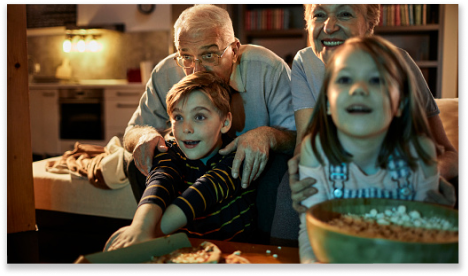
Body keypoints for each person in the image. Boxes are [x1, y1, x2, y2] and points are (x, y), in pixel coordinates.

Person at [270, 4, 458, 246]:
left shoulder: (398, 62)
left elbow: (449, 154)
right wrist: (303, 172)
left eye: (344, 13)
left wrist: (422, 180)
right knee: (289, 184)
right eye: (319, 14)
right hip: (335, 180)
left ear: (369, 25)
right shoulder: (305, 61)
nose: (329, 26)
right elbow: (305, 144)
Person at [124, 4, 296, 243]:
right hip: (190, 163)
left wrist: (267, 135)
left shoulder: (268, 68)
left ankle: (266, 249)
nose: (196, 70)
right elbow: (133, 131)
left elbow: (299, 137)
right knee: (140, 159)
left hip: (246, 167)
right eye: (186, 56)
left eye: (209, 55)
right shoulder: (165, 72)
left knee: (278, 165)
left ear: (234, 50)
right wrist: (144, 136)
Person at [297, 35, 444, 263]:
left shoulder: (419, 152)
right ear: (327, 101)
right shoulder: (315, 152)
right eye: (345, 80)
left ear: (401, 104)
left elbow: (425, 235)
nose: (358, 89)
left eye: (376, 80)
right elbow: (311, 231)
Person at [105, 72, 257, 251]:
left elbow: (204, 191)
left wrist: (145, 231)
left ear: (225, 122)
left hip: (237, 251)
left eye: (199, 117)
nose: (186, 128)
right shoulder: (169, 151)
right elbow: (160, 180)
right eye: (178, 117)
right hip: (185, 251)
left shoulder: (238, 156)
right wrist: (139, 226)